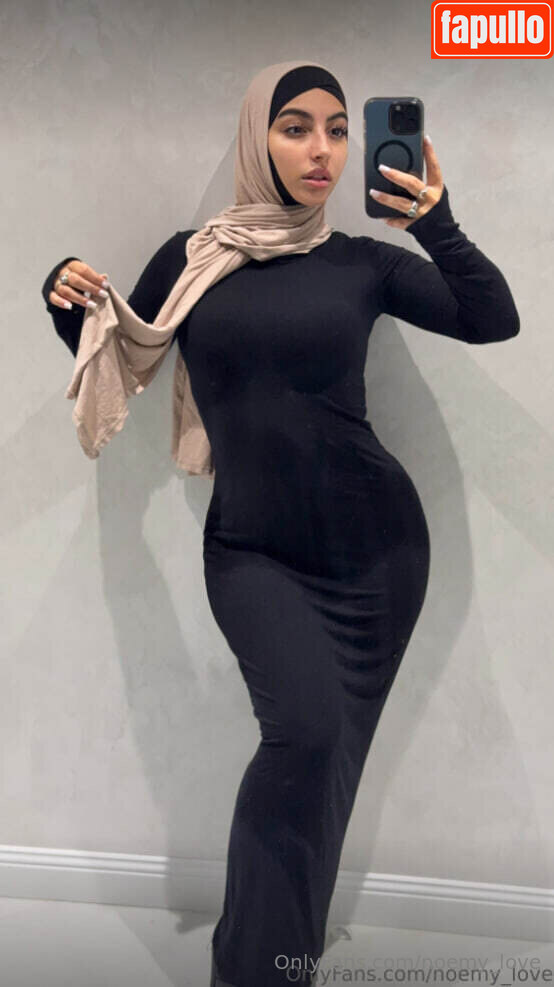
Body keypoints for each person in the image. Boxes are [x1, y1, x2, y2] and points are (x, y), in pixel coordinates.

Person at [41, 62, 520, 987]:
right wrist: (60, 291)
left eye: (338, 129)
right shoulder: (193, 258)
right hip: (253, 551)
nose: (322, 150)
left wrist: (436, 222)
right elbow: (119, 351)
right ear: (256, 136)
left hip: (378, 556)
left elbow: (491, 318)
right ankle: (251, 966)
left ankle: (280, 957)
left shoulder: (362, 263)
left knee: (327, 760)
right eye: (296, 127)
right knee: (303, 735)